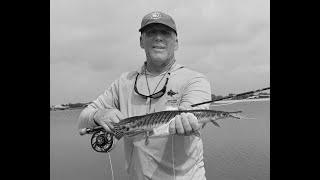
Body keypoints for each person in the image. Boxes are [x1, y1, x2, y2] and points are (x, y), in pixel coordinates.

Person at [78, 11, 212, 180]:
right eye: (151, 33)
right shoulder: (123, 82)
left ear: (176, 42)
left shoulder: (194, 79)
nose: (158, 38)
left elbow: (197, 113)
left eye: (165, 33)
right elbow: (82, 119)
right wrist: (98, 115)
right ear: (141, 41)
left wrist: (190, 121)